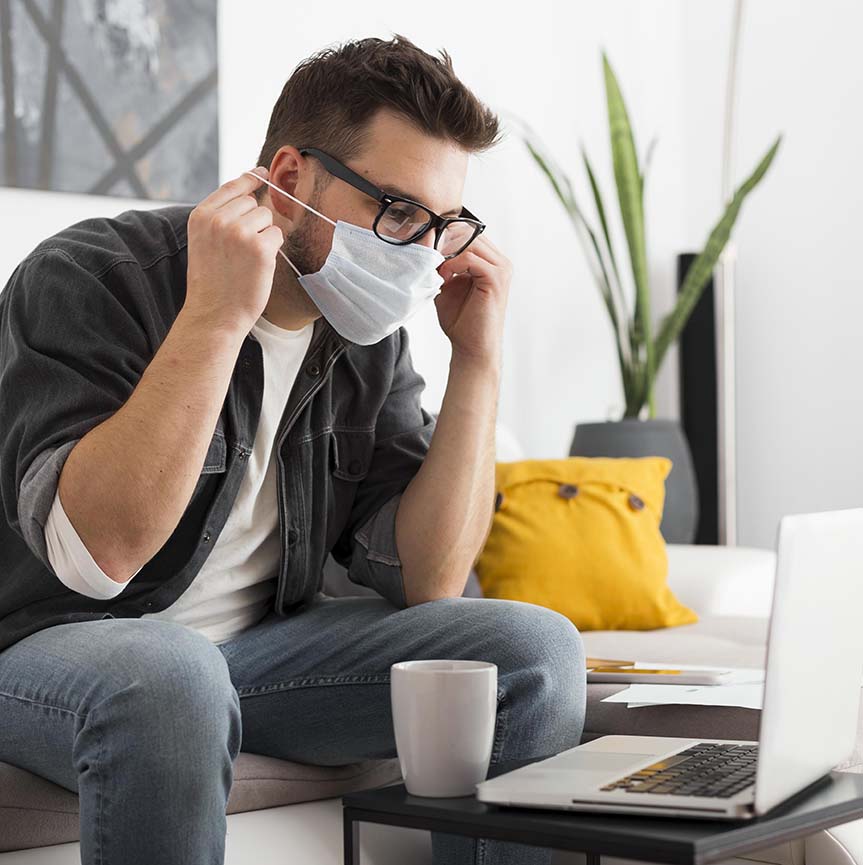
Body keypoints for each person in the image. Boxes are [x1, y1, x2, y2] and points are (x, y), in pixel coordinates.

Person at [0, 34, 586, 865]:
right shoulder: (94, 276)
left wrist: (478, 360)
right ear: (287, 182)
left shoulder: (364, 339)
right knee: (170, 678)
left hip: (255, 658)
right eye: (396, 212)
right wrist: (213, 316)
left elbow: (431, 578)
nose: (420, 254)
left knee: (533, 653)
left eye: (442, 225)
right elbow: (98, 557)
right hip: (52, 650)